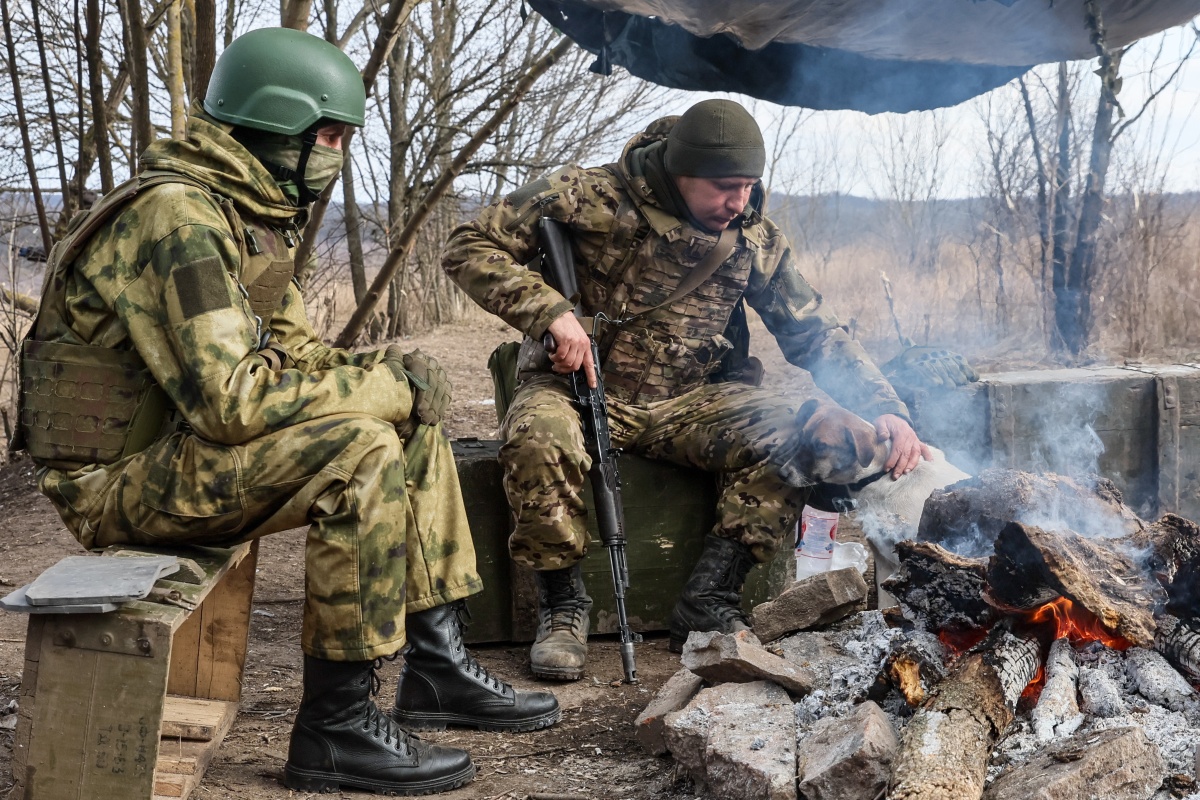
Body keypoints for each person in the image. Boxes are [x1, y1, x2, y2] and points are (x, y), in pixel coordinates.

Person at [16, 27, 559, 796]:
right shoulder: (179, 220)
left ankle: (437, 666)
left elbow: (298, 354)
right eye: (329, 135)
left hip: (179, 458)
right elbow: (233, 403)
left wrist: (385, 372)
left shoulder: (246, 216)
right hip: (117, 485)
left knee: (405, 416)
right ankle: (334, 728)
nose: (337, 155)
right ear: (276, 125)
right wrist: (381, 393)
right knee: (360, 448)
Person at [441, 99, 971, 679]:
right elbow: (468, 244)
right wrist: (549, 312)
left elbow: (813, 331)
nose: (737, 201)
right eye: (723, 186)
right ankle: (562, 607)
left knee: (806, 432)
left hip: (690, 400)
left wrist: (884, 407)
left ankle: (708, 598)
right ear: (678, 172)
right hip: (577, 386)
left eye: (748, 185)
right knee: (537, 438)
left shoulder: (753, 238)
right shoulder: (585, 195)